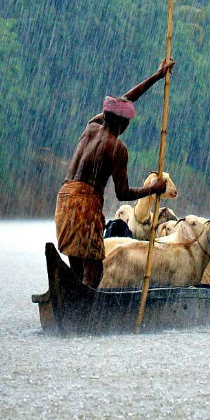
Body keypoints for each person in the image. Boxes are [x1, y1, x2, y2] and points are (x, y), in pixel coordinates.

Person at [55, 59, 173, 287]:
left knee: (77, 260)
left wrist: (157, 76)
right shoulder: (117, 148)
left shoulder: (91, 127)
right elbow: (123, 193)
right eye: (127, 121)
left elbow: (124, 101)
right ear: (122, 122)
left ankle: (76, 300)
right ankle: (85, 311)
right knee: (94, 266)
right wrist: (153, 189)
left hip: (64, 198)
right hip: (85, 203)